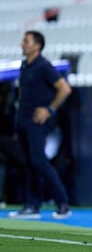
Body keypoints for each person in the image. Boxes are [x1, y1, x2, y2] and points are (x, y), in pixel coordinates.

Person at [8, 30, 72, 219]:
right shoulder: (25, 65)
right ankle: (32, 205)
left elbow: (64, 89)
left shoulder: (43, 65)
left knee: (39, 161)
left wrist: (49, 110)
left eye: (26, 41)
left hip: (37, 122)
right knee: (28, 163)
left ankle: (63, 202)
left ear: (37, 45)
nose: (22, 44)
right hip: (23, 120)